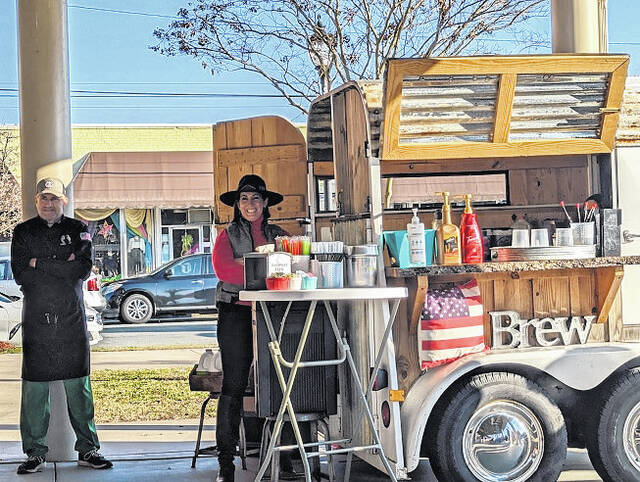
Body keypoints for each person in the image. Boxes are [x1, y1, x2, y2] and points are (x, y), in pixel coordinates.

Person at [11, 177, 113, 475]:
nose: (48, 203)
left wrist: (38, 262)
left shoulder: (78, 230)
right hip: (37, 321)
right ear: (36, 201)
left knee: (79, 386)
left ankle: (88, 449)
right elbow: (20, 274)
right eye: (43, 198)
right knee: (34, 391)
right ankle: (34, 453)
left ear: (63, 202)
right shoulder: (23, 232)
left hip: (70, 319)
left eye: (54, 198)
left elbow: (80, 270)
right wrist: (59, 264)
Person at [212, 174, 288, 482]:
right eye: (244, 199)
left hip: (272, 314)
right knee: (233, 386)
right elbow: (225, 270)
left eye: (255, 198)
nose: (250, 204)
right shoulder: (226, 235)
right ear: (237, 205)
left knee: (281, 382)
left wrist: (249, 265)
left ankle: (285, 455)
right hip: (235, 313)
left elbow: (293, 264)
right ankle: (225, 463)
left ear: (266, 202)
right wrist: (266, 267)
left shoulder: (280, 234)